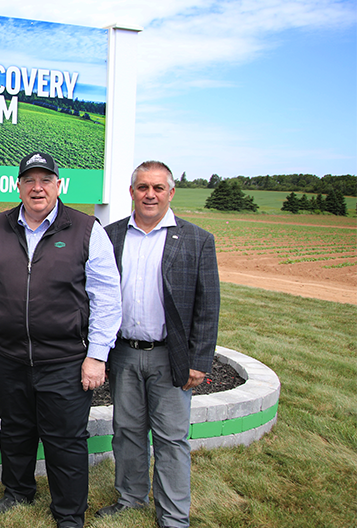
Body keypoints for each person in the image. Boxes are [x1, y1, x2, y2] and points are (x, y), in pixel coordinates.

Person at [0, 151, 122, 528]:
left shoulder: (86, 229)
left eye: (45, 180)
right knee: (15, 428)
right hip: (9, 355)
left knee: (66, 439)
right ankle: (18, 491)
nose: (37, 188)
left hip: (65, 358)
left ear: (58, 185)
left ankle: (68, 514)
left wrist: (97, 355)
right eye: (29, 180)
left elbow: (107, 296)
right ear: (18, 186)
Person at [96, 161, 220, 528]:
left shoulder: (197, 240)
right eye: (142, 187)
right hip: (124, 354)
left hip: (169, 356)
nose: (150, 194)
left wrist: (199, 360)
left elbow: (207, 306)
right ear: (131, 191)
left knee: (171, 439)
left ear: (171, 192)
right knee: (128, 432)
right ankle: (131, 498)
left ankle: (173, 515)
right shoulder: (111, 235)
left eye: (158, 188)